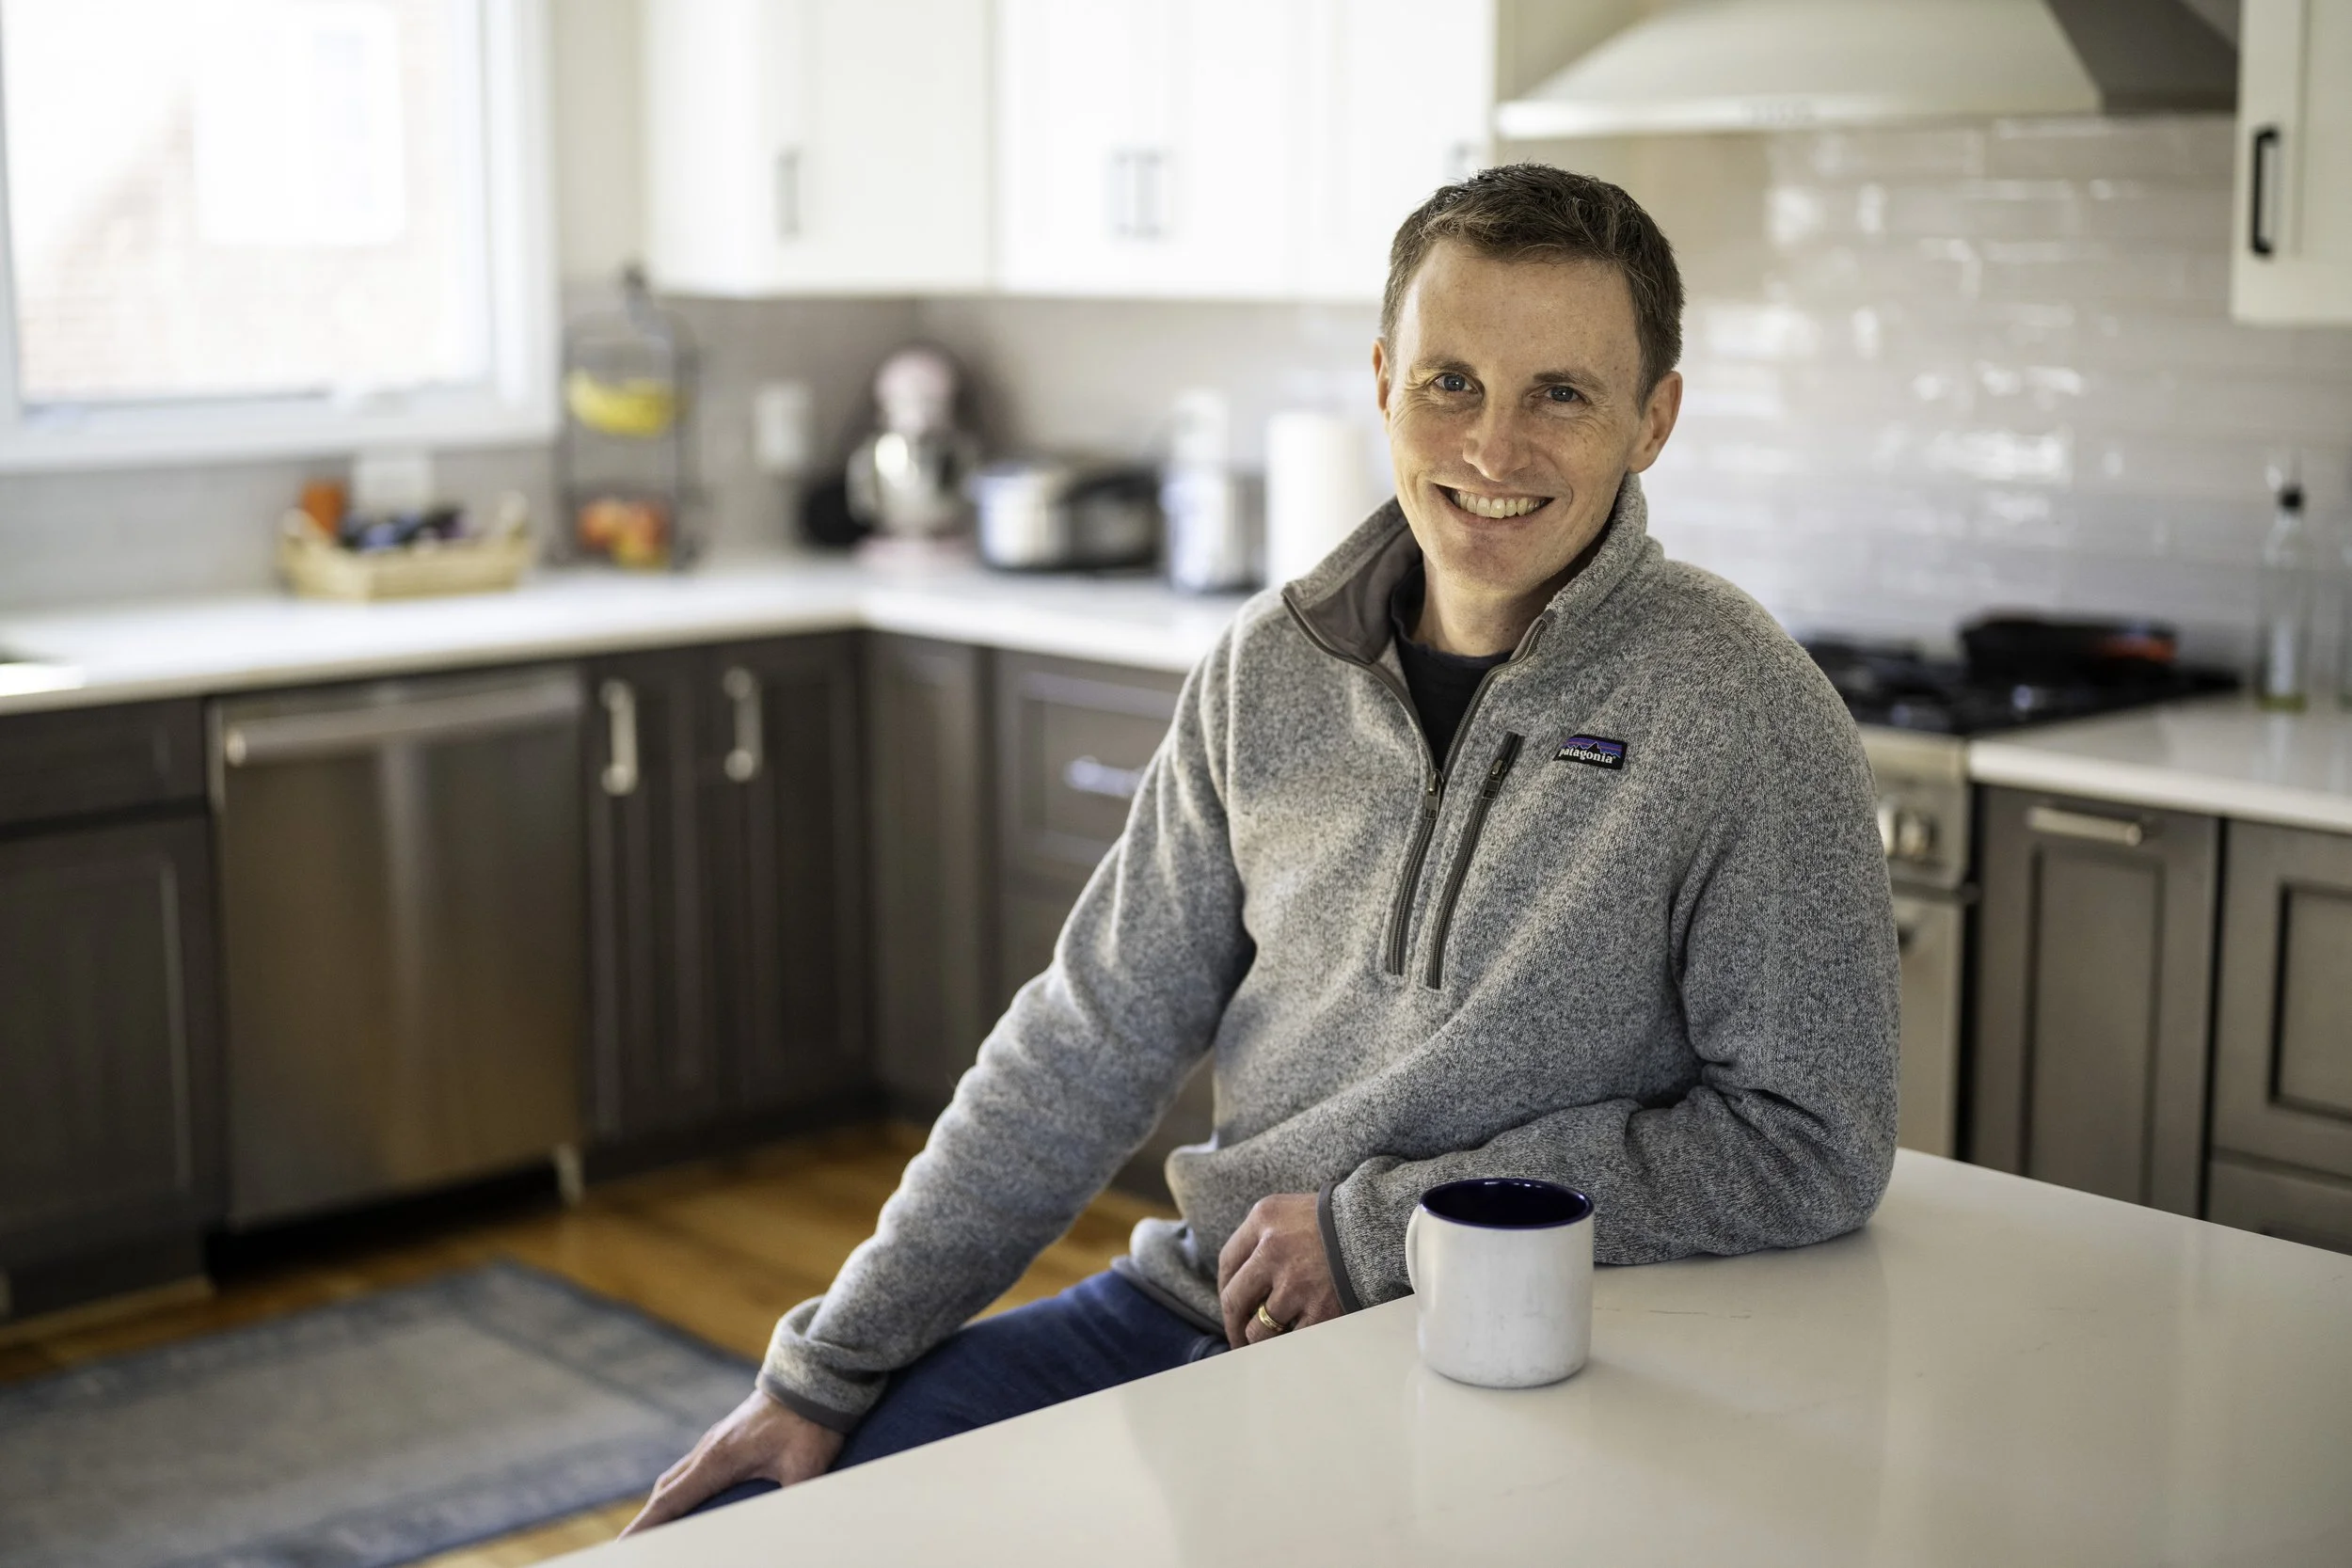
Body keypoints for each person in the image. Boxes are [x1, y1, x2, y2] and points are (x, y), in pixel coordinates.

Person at [625, 163, 1899, 1532]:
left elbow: (1809, 1141)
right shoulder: (1267, 671)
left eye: (1563, 394)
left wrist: (1384, 1230)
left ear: (1655, 420)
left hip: (1495, 1362)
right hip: (1194, 1296)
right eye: (1451, 382)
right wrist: (829, 1365)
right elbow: (1088, 1038)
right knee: (760, 1521)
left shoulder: (1741, 707)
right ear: (1382, 382)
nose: (1492, 447)